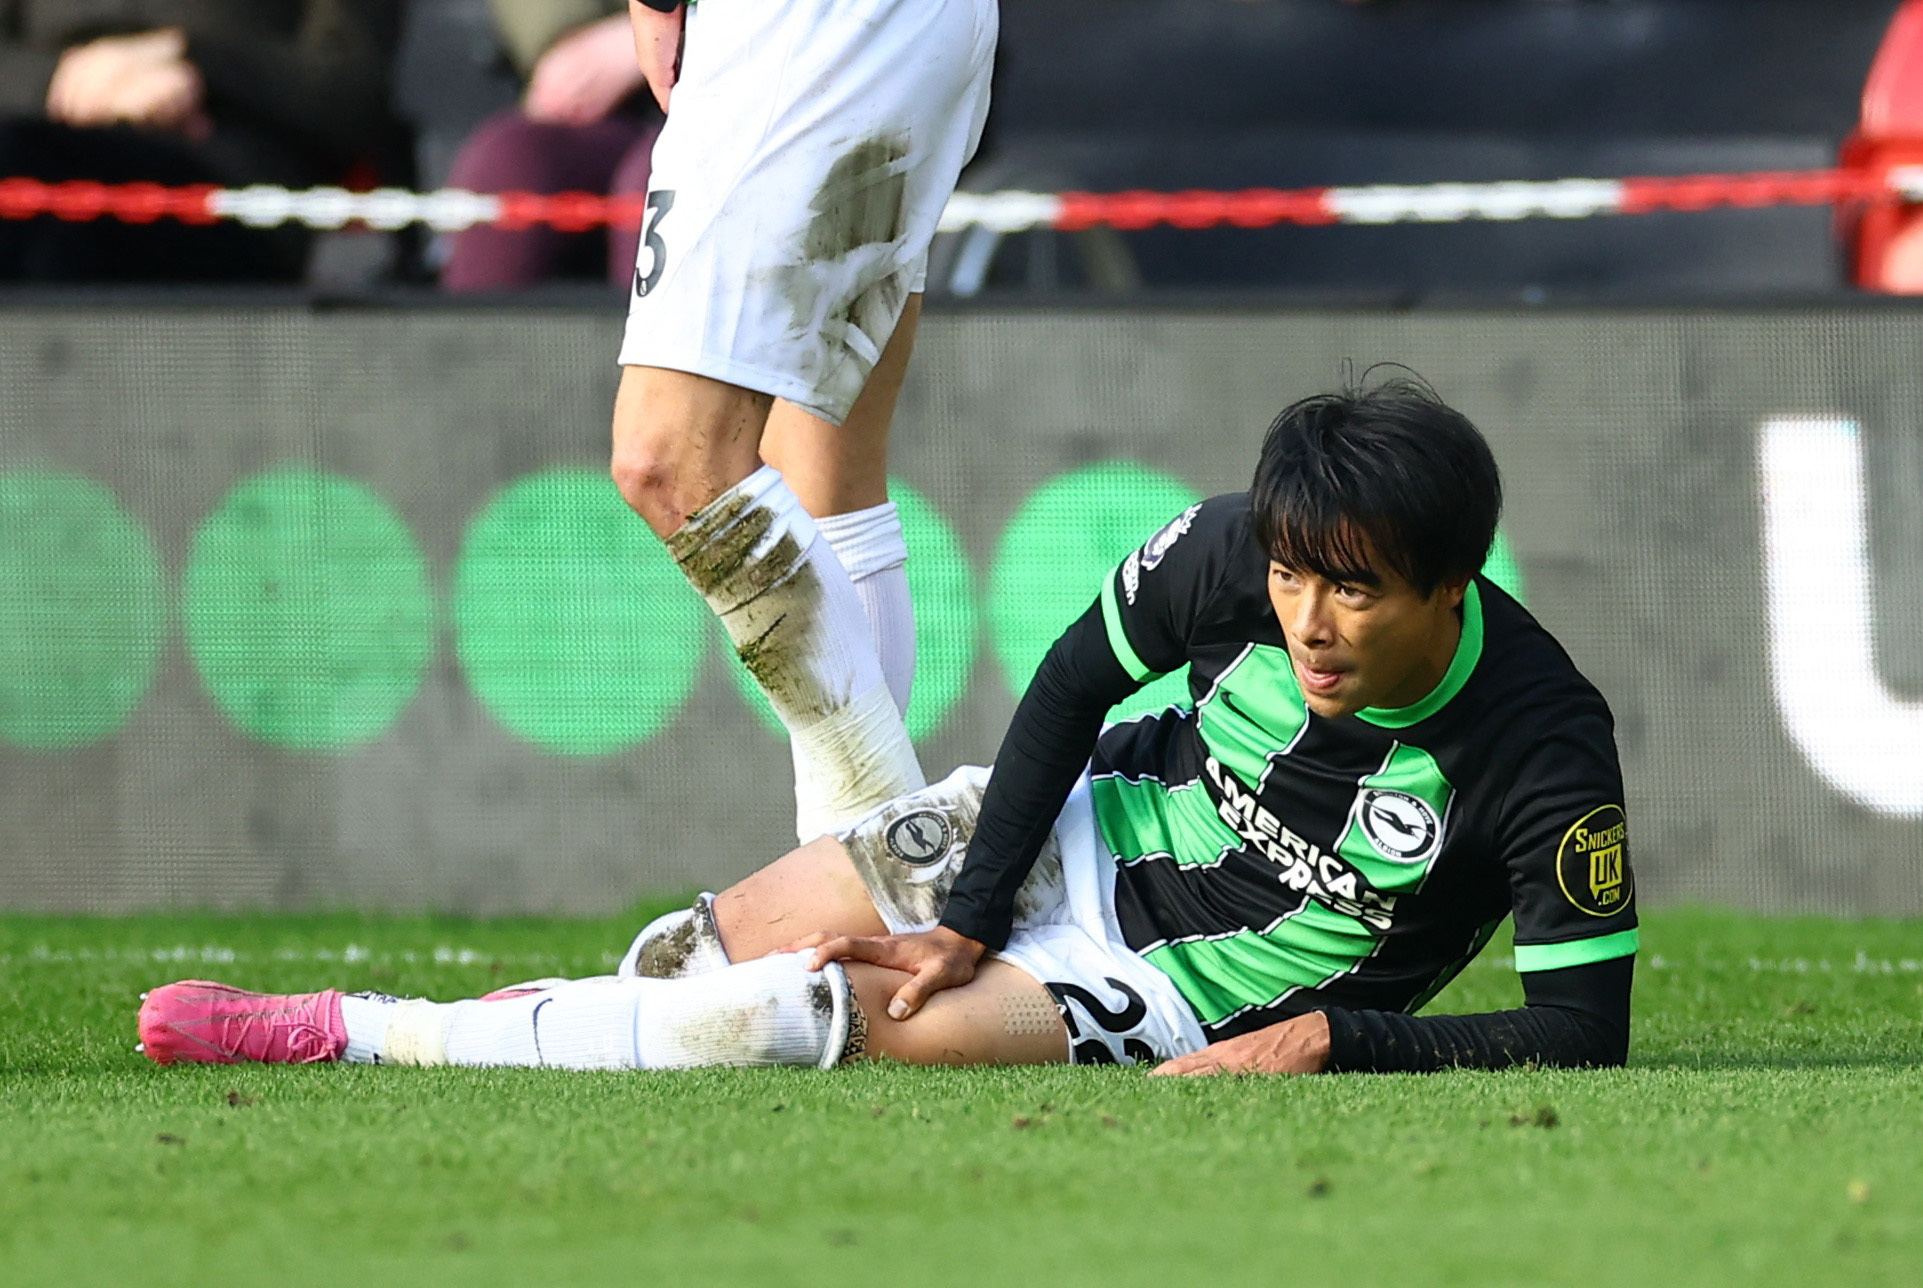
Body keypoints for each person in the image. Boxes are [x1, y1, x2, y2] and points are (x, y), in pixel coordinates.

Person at [139, 378, 1638, 1076]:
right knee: (687, 967)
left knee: (791, 1023)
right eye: (1293, 578)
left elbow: (1580, 1034)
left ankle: (343, 1033)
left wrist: (1325, 1042)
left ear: (1448, 588)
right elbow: (1070, 683)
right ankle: (522, 1034)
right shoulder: (1236, 547)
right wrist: (975, 910)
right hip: (1064, 834)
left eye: (1354, 595)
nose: (1307, 618)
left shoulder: (1539, 746)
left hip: (1173, 994)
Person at [605, 0, 998, 851]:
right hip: (887, 25)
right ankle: (860, 881)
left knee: (670, 463)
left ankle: (896, 879)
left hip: (805, 22)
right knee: (821, 474)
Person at [0, 1, 398, 282]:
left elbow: (351, 92)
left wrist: (191, 60)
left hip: (229, 193)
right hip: (39, 144)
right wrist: (62, 80)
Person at [439, 2, 662, 291]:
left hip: (721, 78)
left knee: (658, 182)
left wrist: (652, 32)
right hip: (616, 108)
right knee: (509, 162)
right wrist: (566, 42)